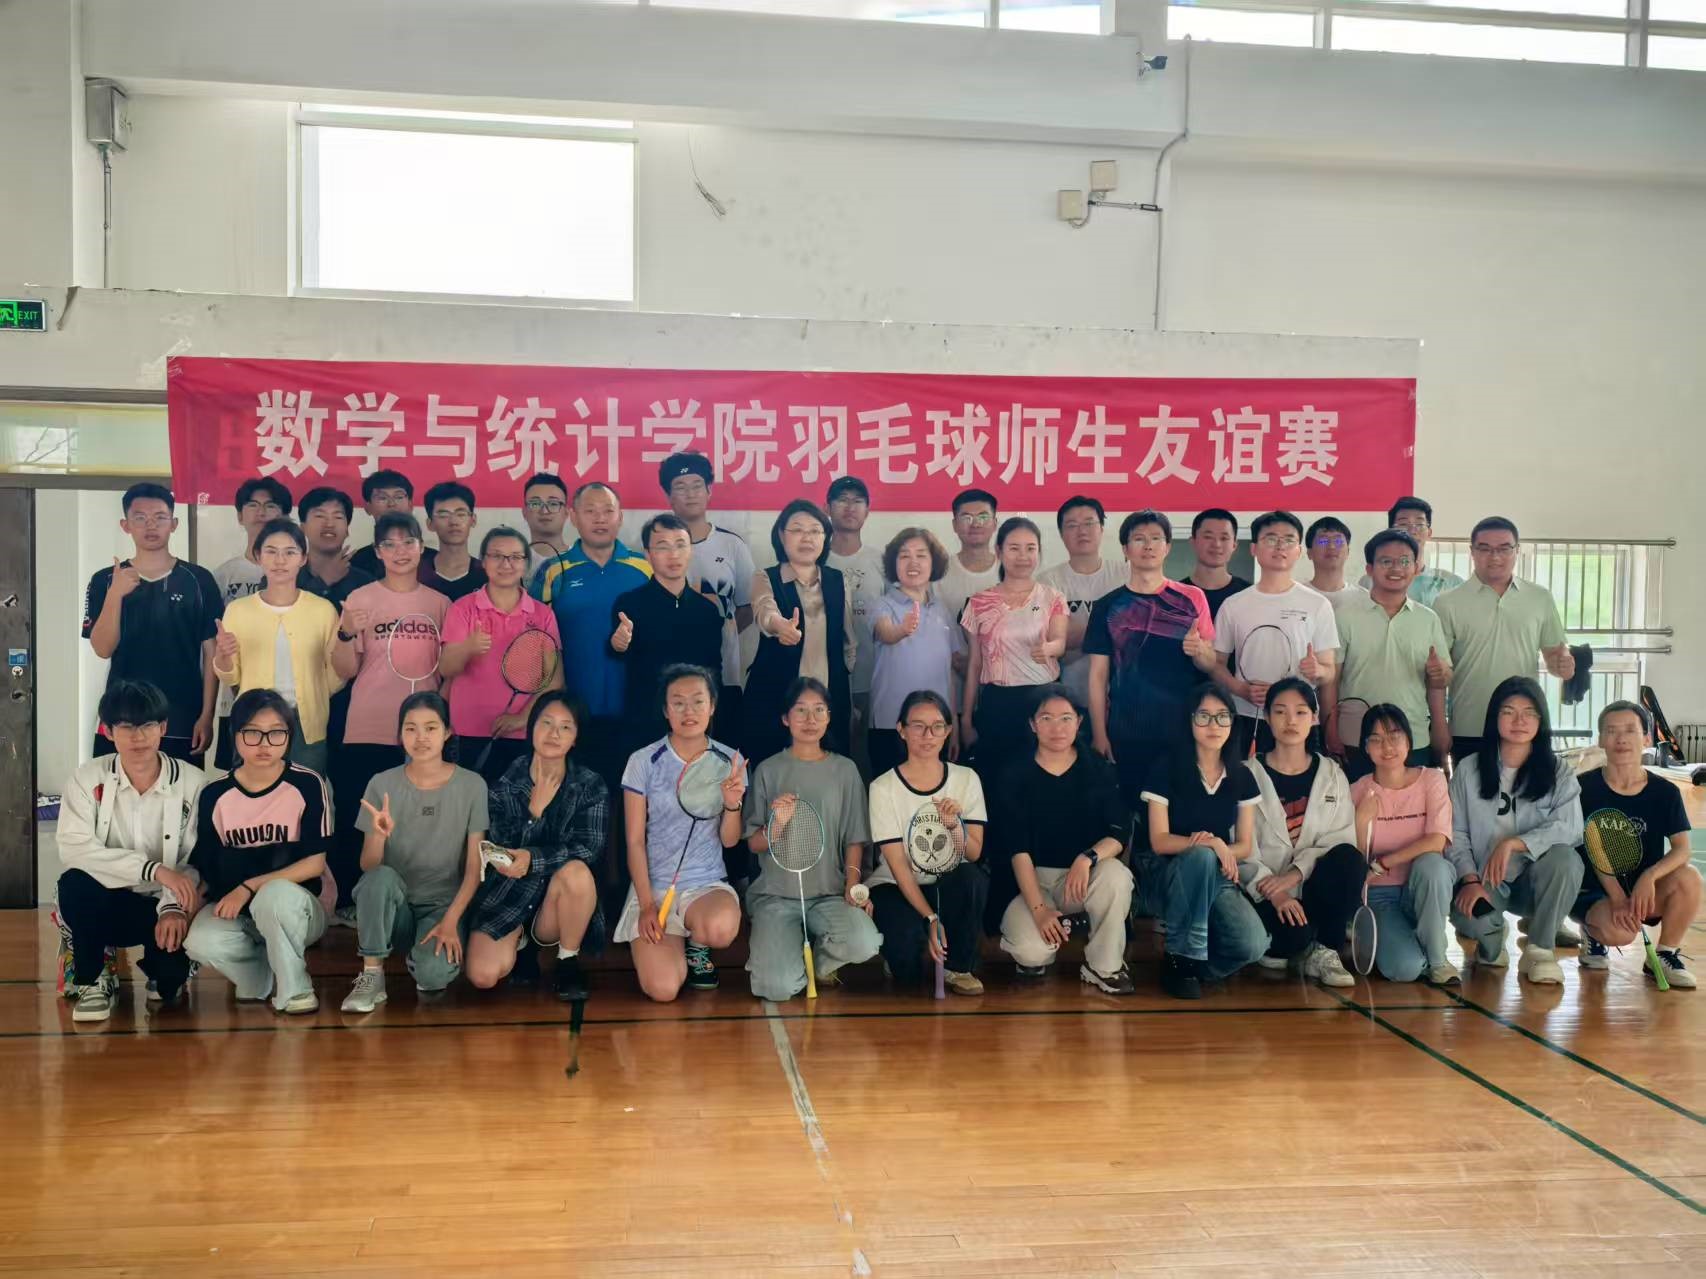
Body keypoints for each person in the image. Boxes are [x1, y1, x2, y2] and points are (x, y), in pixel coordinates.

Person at [54, 680, 206, 1022]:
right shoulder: (86, 779)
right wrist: (152, 869)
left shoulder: (194, 783)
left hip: (162, 904)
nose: (138, 737)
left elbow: (196, 859)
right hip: (107, 898)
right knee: (74, 884)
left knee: (167, 990)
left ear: (163, 727)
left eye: (148, 725)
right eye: (126, 727)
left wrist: (173, 907)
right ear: (108, 732)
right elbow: (75, 848)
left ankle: (170, 966)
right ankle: (93, 977)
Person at [329, 512, 450, 927]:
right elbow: (344, 670)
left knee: (417, 823)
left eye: (408, 542)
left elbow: (449, 670)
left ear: (421, 547)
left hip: (422, 737)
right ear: (378, 552)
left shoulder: (440, 604)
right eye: (390, 544)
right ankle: (352, 902)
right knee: (361, 818)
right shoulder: (359, 598)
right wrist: (345, 632)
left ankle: (415, 905)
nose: (400, 552)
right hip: (369, 726)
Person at [184, 690, 334, 1014]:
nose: (265, 744)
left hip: (298, 909)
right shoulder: (214, 794)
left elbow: (314, 864)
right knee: (198, 941)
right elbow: (207, 866)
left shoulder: (307, 784)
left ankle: (296, 990)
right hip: (239, 913)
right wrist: (183, 911)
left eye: (276, 733)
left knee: (274, 895)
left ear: (289, 736)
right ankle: (259, 975)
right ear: (235, 736)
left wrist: (249, 887)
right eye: (252, 733)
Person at [341, 692, 490, 1012]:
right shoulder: (381, 784)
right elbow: (369, 867)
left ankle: (420, 958)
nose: (421, 737)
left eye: (431, 728)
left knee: (433, 976)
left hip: (442, 907)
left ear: (447, 732)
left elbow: (474, 868)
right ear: (400, 734)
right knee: (378, 879)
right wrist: (379, 835)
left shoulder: (472, 785)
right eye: (411, 728)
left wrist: (451, 921)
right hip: (395, 905)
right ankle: (372, 974)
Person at [464, 692, 608, 1001]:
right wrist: (533, 813)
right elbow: (497, 848)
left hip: (559, 903)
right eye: (546, 723)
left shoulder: (589, 784)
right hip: (511, 895)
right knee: (482, 976)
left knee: (577, 872)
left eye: (566, 727)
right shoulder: (506, 782)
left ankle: (567, 960)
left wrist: (533, 858)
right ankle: (522, 944)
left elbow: (588, 848)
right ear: (531, 728)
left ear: (576, 738)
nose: (554, 734)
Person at [744, 678, 881, 1000]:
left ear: (829, 716)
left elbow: (855, 839)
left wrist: (852, 885)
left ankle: (818, 963)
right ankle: (784, 955)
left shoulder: (845, 770)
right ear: (785, 718)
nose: (810, 719)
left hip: (829, 894)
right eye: (801, 710)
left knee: (865, 943)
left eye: (819, 710)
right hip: (776, 896)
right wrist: (777, 824)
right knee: (775, 988)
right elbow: (754, 843)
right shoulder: (767, 770)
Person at [992, 688, 1135, 994]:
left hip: (1079, 878)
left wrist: (1088, 858)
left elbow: (1119, 833)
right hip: (1029, 882)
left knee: (1116, 875)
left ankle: (1104, 966)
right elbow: (1017, 850)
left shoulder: (1097, 768)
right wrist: (1039, 910)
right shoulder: (1013, 773)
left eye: (1066, 718)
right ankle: (1038, 946)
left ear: (1079, 722)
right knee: (1032, 953)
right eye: (1047, 718)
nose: (1057, 727)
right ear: (1033, 724)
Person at [617, 665, 746, 1002]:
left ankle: (697, 946)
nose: (689, 711)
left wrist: (732, 805)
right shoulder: (643, 761)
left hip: (705, 886)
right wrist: (647, 905)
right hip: (654, 888)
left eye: (698, 701)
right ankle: (666, 944)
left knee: (720, 928)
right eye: (678, 703)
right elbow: (634, 841)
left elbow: (730, 840)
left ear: (712, 706)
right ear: (666, 710)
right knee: (663, 990)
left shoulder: (730, 762)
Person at [1446, 676, 1584, 986]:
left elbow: (1571, 827)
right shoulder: (1468, 770)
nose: (1519, 721)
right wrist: (1469, 880)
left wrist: (1515, 843)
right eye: (1508, 712)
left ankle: (1540, 950)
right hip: (1485, 879)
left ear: (1541, 720)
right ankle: (1493, 939)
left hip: (1535, 881)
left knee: (1567, 860)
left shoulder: (1558, 771)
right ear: (1494, 718)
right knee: (1470, 920)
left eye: (1529, 713)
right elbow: (1456, 834)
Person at [1140, 686, 1268, 999]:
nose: (1214, 725)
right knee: (1199, 856)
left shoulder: (1242, 776)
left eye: (1223, 717)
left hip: (1215, 873)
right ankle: (1180, 961)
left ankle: (1194, 968)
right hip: (1165, 872)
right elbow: (1159, 841)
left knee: (1252, 945)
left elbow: (1244, 846)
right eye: (1204, 716)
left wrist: (1217, 846)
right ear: (1190, 721)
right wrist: (1212, 845)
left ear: (1232, 722)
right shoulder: (1166, 768)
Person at [82, 483, 221, 767]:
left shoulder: (199, 579)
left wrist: (207, 714)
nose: (151, 525)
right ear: (125, 525)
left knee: (181, 788)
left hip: (181, 713)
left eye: (159, 517)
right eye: (140, 518)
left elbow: (212, 651)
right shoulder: (104, 580)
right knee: (116, 788)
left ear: (174, 524)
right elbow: (102, 649)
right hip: (121, 713)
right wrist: (115, 594)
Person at [1084, 509, 1216, 807]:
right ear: (1125, 549)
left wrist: (1200, 650)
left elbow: (1210, 665)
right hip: (1126, 728)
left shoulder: (1192, 598)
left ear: (1167, 547)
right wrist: (1099, 733)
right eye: (1139, 539)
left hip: (1181, 726)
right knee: (1130, 809)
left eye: (1156, 538)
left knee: (1179, 810)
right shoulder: (1108, 606)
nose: (1148, 545)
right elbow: (1097, 676)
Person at [531, 482, 652, 795]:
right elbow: (534, 642)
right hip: (571, 713)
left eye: (608, 511)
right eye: (590, 511)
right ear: (573, 517)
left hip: (634, 709)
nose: (600, 519)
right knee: (575, 800)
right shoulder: (553, 570)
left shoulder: (644, 567)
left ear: (620, 517)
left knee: (630, 801)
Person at [866, 690, 988, 995]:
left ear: (948, 731)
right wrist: (931, 917)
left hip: (947, 882)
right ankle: (904, 947)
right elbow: (898, 866)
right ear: (901, 730)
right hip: (896, 884)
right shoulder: (882, 787)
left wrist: (955, 826)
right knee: (907, 969)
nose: (927, 735)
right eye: (918, 726)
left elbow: (974, 853)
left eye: (937, 726)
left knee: (971, 878)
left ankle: (958, 967)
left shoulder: (967, 778)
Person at [1241, 678, 1360, 988]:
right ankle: (1296, 943)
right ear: (1268, 718)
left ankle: (1326, 949)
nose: (1290, 721)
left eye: (1300, 712)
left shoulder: (1332, 774)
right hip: (1266, 890)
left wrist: (1294, 875)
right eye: (1280, 712)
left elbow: (1340, 839)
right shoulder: (1246, 774)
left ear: (1314, 718)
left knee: (1350, 858)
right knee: (1290, 941)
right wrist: (1277, 892)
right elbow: (1241, 849)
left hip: (1312, 887)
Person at [1570, 701, 1698, 987]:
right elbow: (1591, 848)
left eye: (1630, 730)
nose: (1621, 739)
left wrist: (1650, 877)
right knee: (1621, 934)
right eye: (1611, 731)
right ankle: (1592, 931)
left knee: (1689, 878)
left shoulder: (1665, 792)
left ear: (1647, 738)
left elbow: (1682, 849)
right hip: (1594, 890)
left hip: (1642, 891)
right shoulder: (1582, 789)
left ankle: (1664, 956)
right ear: (1601, 740)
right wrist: (1617, 897)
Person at [1434, 517, 1574, 763]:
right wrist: (1439, 724)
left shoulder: (1539, 598)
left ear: (1517, 551)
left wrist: (1563, 665)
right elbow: (1438, 673)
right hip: (1470, 724)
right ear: (1472, 552)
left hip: (1524, 726)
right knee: (1470, 788)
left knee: (1528, 788)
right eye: (1485, 548)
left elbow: (1554, 657)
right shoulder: (1448, 602)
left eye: (1504, 548)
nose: (1495, 556)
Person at [209, 519, 342, 775]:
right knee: (252, 793)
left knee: (305, 793)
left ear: (303, 558)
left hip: (307, 724)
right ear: (258, 556)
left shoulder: (323, 610)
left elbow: (335, 675)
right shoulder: (238, 610)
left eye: (289, 552)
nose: (280, 561)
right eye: (271, 551)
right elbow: (231, 677)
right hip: (253, 721)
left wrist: (313, 694)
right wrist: (223, 655)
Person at [1321, 529, 1452, 774]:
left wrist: (1440, 726)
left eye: (1404, 561)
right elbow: (1331, 680)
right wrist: (1329, 727)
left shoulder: (1428, 619)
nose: (1396, 568)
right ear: (1370, 569)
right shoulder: (1344, 616)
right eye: (1386, 561)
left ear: (1416, 567)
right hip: (1356, 737)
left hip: (1413, 736)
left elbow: (1438, 684)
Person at [1211, 510, 1340, 758]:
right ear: (1254, 548)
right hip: (1247, 716)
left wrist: (1318, 670)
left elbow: (1329, 671)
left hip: (1299, 718)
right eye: (1271, 538)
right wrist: (1240, 689)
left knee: (1298, 781)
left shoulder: (1317, 604)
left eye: (1289, 539)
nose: (1280, 546)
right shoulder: (1234, 604)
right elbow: (1216, 664)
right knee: (1246, 780)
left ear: (1299, 551)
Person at [439, 527, 565, 782]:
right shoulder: (462, 608)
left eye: (515, 557)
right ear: (483, 562)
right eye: (497, 556)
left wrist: (522, 719)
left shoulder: (543, 615)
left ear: (526, 564)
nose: (506, 564)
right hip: (467, 732)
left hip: (523, 733)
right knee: (471, 804)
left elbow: (554, 680)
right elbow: (446, 668)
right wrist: (468, 647)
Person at [1348, 705, 1458, 985]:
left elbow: (1437, 840)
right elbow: (1354, 861)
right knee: (1404, 969)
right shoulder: (1357, 790)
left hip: (1421, 887)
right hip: (1379, 895)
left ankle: (1438, 961)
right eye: (1376, 739)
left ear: (1409, 741)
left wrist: (1385, 862)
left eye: (1394, 736)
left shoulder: (1432, 780)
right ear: (1366, 748)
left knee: (1433, 866)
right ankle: (1409, 943)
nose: (1387, 747)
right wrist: (1360, 822)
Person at [744, 500, 856, 762]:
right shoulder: (765, 577)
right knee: (772, 772)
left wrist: (844, 677)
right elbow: (765, 610)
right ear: (781, 535)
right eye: (797, 530)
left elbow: (849, 639)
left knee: (827, 771)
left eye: (815, 530)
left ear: (825, 538)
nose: (807, 538)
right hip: (774, 697)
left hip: (828, 701)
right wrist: (779, 626)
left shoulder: (838, 580)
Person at [961, 517, 1068, 782]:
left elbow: (1060, 642)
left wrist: (1049, 648)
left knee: (1041, 780)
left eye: (1030, 548)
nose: (1023, 556)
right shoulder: (979, 603)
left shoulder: (1052, 597)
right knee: (998, 780)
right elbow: (975, 664)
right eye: (1014, 548)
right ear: (999, 551)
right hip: (998, 704)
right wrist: (966, 720)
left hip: (1043, 700)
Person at [660, 452, 755, 745]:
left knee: (725, 754)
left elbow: (747, 607)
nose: (690, 493)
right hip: (671, 676)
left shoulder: (732, 545)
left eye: (697, 485)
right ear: (668, 496)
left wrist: (719, 633)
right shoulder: (653, 548)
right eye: (680, 486)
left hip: (724, 674)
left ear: (709, 491)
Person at [610, 513, 724, 751]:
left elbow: (714, 671)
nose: (673, 554)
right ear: (647, 554)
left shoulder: (707, 610)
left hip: (694, 722)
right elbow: (617, 653)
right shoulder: (629, 604)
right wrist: (618, 644)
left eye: (680, 545)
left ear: (691, 550)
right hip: (644, 722)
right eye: (663, 547)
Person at [209, 477, 294, 769]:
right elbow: (212, 644)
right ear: (239, 516)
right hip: (235, 699)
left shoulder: (297, 574)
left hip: (292, 704)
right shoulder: (224, 575)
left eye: (270, 505)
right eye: (253, 505)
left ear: (284, 515)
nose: (261, 512)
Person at [868, 528, 964, 777]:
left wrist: (953, 725)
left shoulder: (941, 609)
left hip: (936, 726)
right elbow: (886, 632)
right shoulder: (883, 604)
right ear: (893, 564)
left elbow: (951, 671)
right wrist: (903, 629)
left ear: (934, 563)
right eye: (904, 556)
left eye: (921, 555)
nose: (913, 563)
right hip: (891, 724)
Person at [825, 475, 887, 774]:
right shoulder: (816, 557)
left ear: (867, 510)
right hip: (826, 676)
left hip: (873, 676)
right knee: (829, 751)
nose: (850, 507)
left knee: (867, 756)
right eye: (842, 500)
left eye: (857, 501)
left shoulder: (882, 561)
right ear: (827, 508)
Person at [1039, 495, 1126, 707]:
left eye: (1089, 523)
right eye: (1072, 525)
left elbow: (1132, 636)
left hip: (1121, 696)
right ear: (1061, 534)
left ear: (1101, 529)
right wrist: (1110, 628)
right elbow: (1054, 639)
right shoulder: (1047, 582)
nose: (1082, 531)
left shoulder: (1126, 575)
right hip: (1067, 698)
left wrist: (1077, 632)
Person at [1357, 497, 1464, 607]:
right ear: (1390, 531)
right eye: (1403, 524)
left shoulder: (1450, 583)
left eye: (1419, 524)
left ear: (1429, 533)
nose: (1412, 531)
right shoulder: (1370, 581)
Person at [348, 470, 436, 580]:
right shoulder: (356, 563)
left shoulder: (434, 560)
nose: (391, 504)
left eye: (399, 497)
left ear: (410, 504)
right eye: (382, 498)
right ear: (367, 507)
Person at [297, 486, 373, 610]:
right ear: (302, 528)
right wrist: (323, 581)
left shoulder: (366, 583)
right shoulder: (283, 575)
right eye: (320, 516)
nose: (329, 524)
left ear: (347, 530)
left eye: (338, 517)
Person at [937, 488, 1001, 635]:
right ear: (954, 525)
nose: (975, 524)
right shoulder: (939, 571)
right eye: (966, 518)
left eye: (983, 517)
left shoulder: (1010, 570)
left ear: (995, 523)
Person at [419, 480, 487, 602]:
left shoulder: (488, 574)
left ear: (473, 520)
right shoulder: (417, 573)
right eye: (444, 515)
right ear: (430, 524)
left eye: (461, 514)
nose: (454, 522)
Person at [1181, 508, 1250, 622]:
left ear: (1234, 545)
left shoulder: (1248, 595)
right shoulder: (1174, 596)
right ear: (1193, 542)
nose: (1217, 544)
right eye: (1208, 537)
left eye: (1224, 538)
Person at [1302, 516, 1367, 609]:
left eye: (1338, 541)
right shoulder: (1298, 595)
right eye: (1323, 541)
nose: (1331, 546)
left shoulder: (1364, 598)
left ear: (1348, 552)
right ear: (1309, 553)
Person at [521, 471, 571, 565]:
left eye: (553, 504)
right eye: (535, 504)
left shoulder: (584, 560)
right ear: (524, 512)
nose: (544, 511)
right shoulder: (513, 563)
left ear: (566, 512)